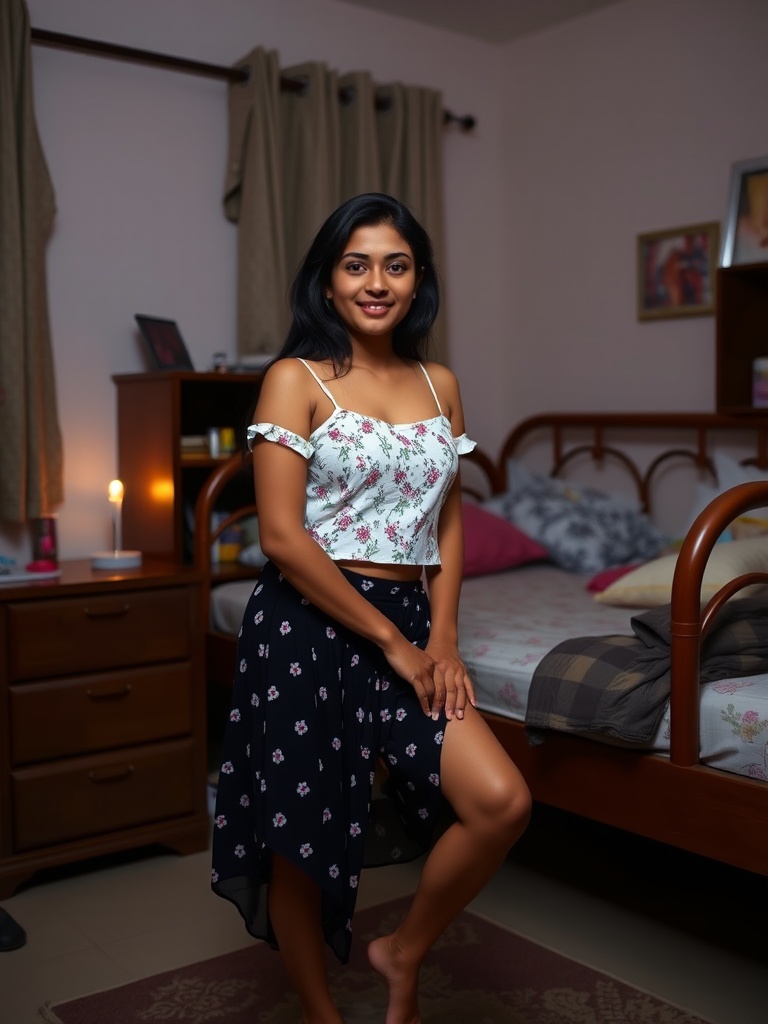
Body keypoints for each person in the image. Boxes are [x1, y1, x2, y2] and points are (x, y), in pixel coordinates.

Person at [211, 192, 531, 1024]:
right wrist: (394, 641)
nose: (376, 282)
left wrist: (446, 637)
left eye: (395, 264)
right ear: (327, 282)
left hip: (412, 626)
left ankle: (403, 950)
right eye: (357, 265)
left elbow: (448, 523)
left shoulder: (440, 382)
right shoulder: (295, 379)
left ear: (418, 279)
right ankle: (322, 1014)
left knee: (501, 802)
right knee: (300, 852)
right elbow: (281, 537)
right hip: (303, 629)